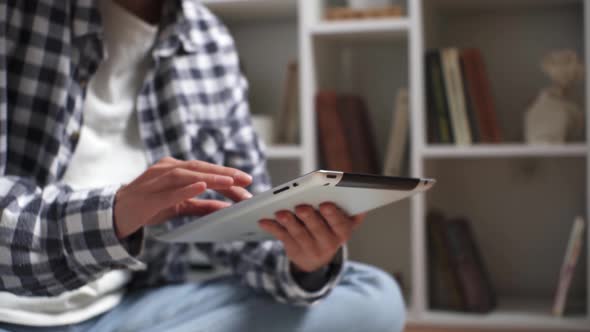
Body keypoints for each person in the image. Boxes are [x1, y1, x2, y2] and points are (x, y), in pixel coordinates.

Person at [0, 1, 405, 331]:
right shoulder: (16, 15)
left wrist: (302, 261)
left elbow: (242, 226)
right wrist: (116, 215)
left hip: (126, 311)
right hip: (10, 311)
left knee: (372, 293)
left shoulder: (209, 40)